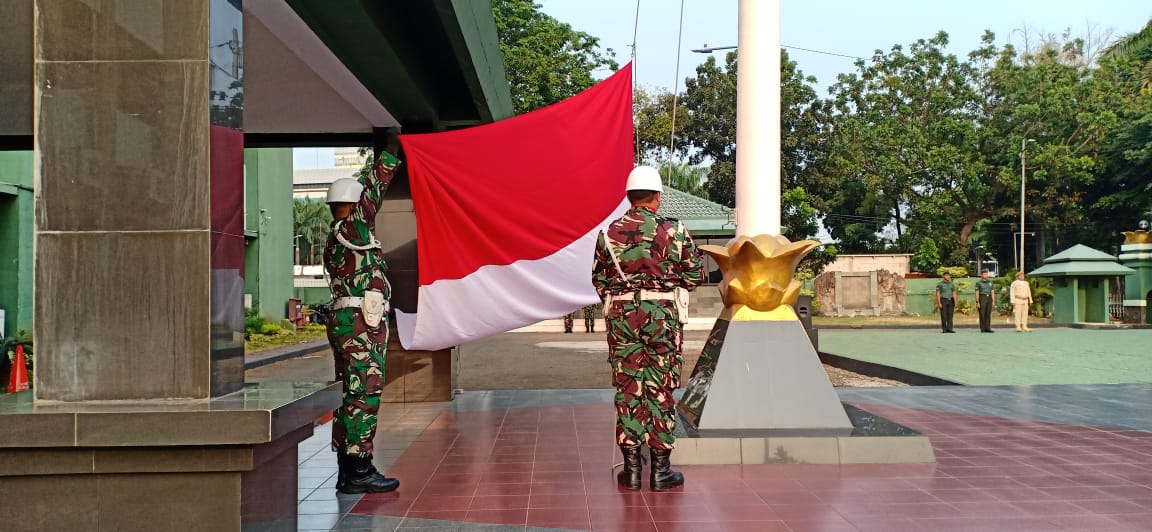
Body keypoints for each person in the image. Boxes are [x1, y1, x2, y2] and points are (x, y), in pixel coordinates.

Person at [592, 165, 704, 492]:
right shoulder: (675, 231)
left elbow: (599, 281)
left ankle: (631, 471)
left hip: (622, 316)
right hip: (662, 317)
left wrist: (628, 298)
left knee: (628, 386)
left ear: (628, 197)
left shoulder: (608, 234)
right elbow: (695, 276)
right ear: (657, 196)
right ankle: (660, 470)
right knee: (660, 385)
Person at [323, 150, 401, 494]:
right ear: (354, 204)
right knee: (364, 394)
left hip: (349, 320)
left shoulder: (338, 236)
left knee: (351, 393)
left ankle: (347, 468)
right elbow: (375, 189)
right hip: (359, 325)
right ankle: (359, 470)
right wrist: (390, 155)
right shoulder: (353, 227)